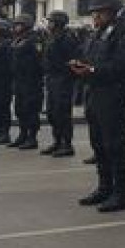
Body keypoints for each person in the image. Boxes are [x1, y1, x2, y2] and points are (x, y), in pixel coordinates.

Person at [71, 0, 125, 212]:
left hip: (113, 96)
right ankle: (104, 187)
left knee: (115, 145)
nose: (95, 16)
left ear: (112, 11)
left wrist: (91, 71)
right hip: (95, 94)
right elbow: (90, 59)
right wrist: (81, 66)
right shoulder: (97, 34)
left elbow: (122, 67)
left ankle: (121, 194)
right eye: (94, 13)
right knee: (98, 144)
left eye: (100, 12)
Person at [40, 10, 79, 158]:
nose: (48, 24)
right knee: (52, 112)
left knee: (62, 113)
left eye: (51, 21)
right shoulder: (51, 37)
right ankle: (57, 141)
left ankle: (67, 144)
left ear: (58, 23)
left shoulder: (67, 38)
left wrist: (65, 74)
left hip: (63, 79)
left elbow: (72, 60)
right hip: (52, 78)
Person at [10, 14, 43, 150]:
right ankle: (22, 134)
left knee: (31, 110)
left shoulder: (34, 40)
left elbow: (38, 60)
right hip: (19, 80)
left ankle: (32, 137)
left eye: (19, 24)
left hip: (31, 81)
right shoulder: (17, 40)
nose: (16, 27)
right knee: (20, 109)